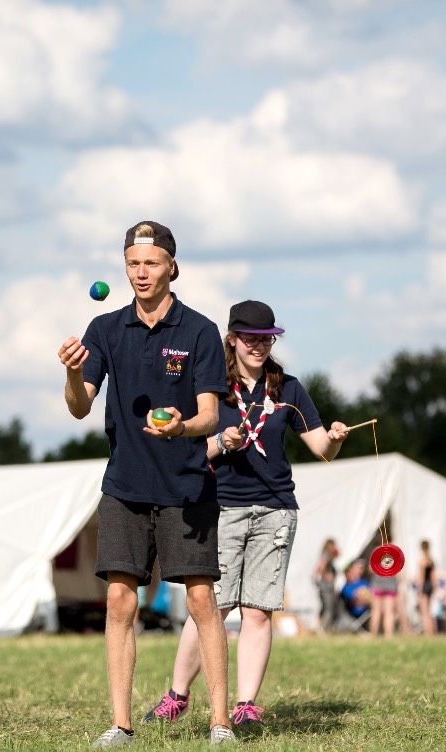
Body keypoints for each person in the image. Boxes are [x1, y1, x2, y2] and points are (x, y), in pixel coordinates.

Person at [57, 221, 235, 748]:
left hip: (186, 485)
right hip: (125, 487)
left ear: (172, 267)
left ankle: (220, 723)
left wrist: (180, 427)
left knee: (202, 602)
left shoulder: (199, 331)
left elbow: (211, 416)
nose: (141, 272)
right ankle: (120, 725)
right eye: (133, 263)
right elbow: (80, 406)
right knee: (119, 602)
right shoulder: (105, 329)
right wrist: (71, 373)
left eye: (151, 263)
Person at [141, 300, 350, 728]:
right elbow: (185, 448)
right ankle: (177, 695)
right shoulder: (211, 388)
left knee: (258, 610)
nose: (258, 346)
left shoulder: (288, 388)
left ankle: (246, 705)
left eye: (266, 339)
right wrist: (222, 442)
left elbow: (321, 450)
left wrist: (335, 438)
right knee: (210, 608)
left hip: (276, 510)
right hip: (220, 507)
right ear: (232, 338)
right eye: (250, 338)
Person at [368, 549, 401, 638]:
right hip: (390, 585)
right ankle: (388, 636)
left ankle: (373, 635)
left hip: (377, 585)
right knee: (389, 613)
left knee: (376, 611)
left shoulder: (376, 551)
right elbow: (398, 571)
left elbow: (371, 569)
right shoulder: (395, 552)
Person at [313, 538, 341, 631]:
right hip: (326, 586)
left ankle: (322, 627)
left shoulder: (326, 555)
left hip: (325, 585)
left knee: (325, 608)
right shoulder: (326, 555)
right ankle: (325, 628)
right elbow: (321, 568)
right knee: (328, 608)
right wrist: (326, 575)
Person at [416, 539, 437, 635]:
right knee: (429, 610)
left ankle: (427, 632)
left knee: (424, 611)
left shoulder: (422, 561)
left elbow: (422, 577)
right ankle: (433, 631)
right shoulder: (431, 560)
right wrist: (434, 588)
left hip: (425, 586)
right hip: (430, 586)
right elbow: (433, 576)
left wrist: (419, 590)